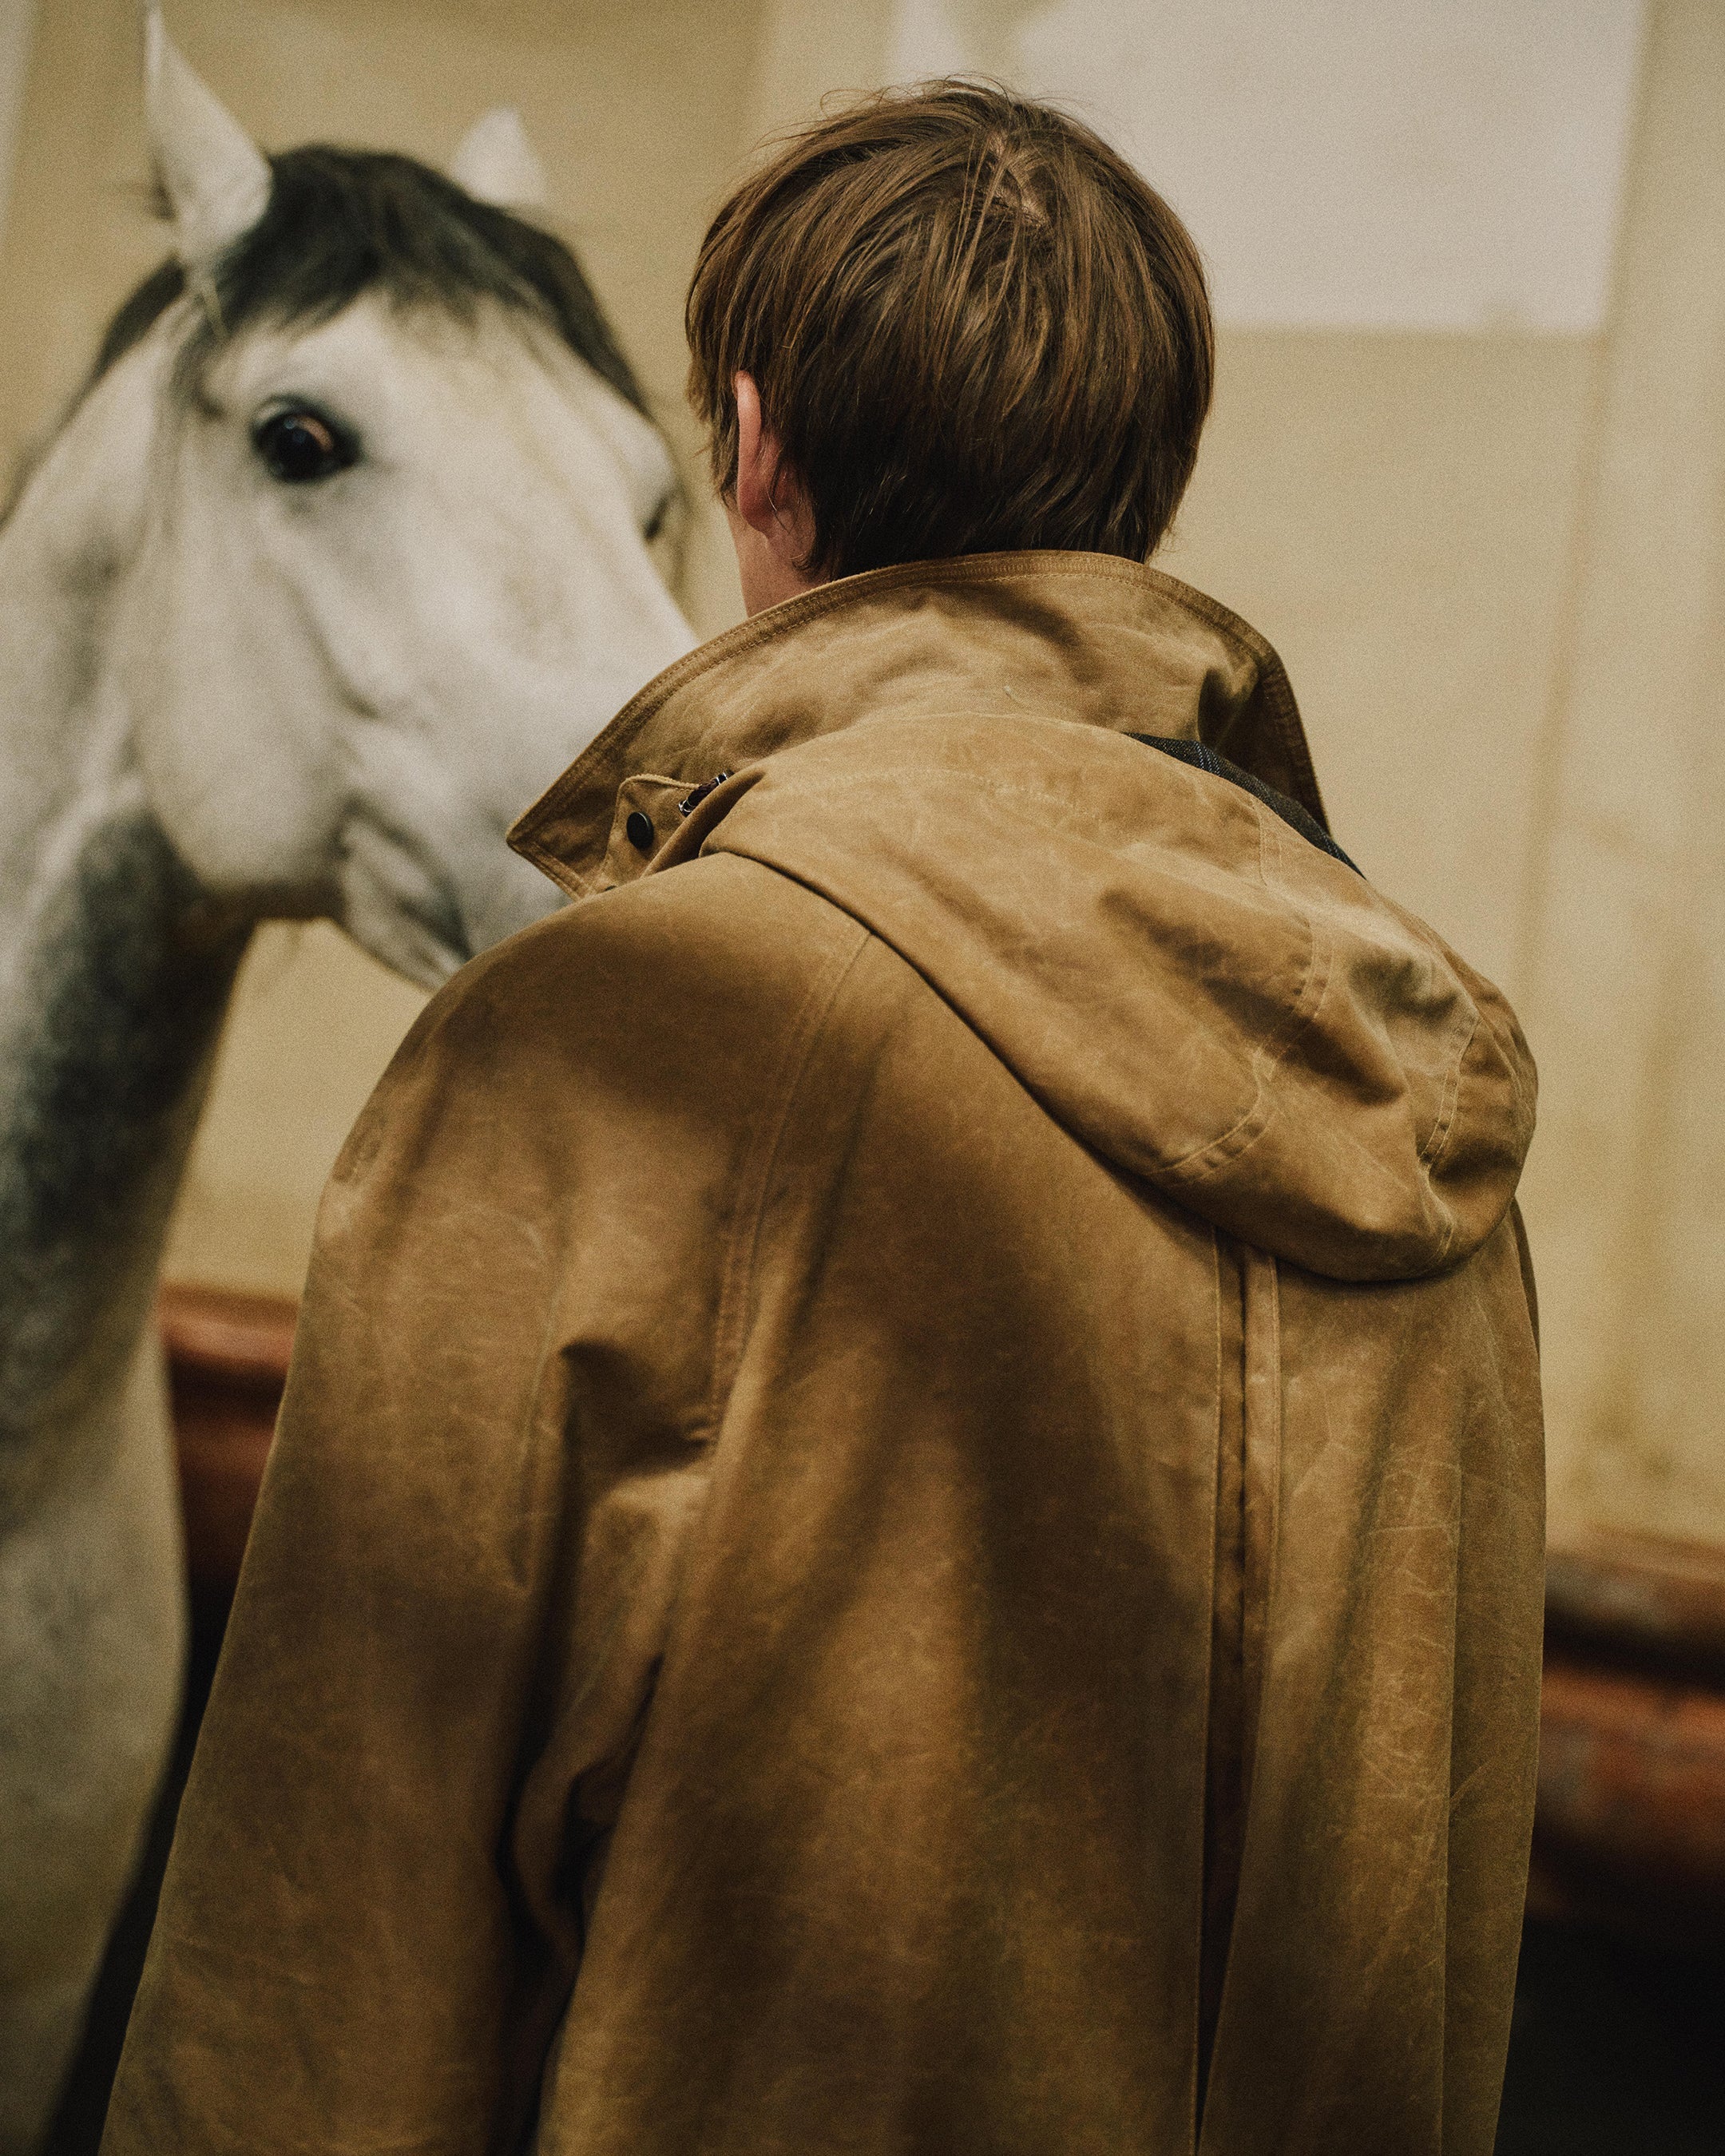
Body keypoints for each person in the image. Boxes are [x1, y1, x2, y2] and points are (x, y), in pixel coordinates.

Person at [104, 81, 1543, 2156]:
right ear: (1140, 487)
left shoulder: (607, 1045)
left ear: (755, 448)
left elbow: (328, 1953)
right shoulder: (1433, 1113)